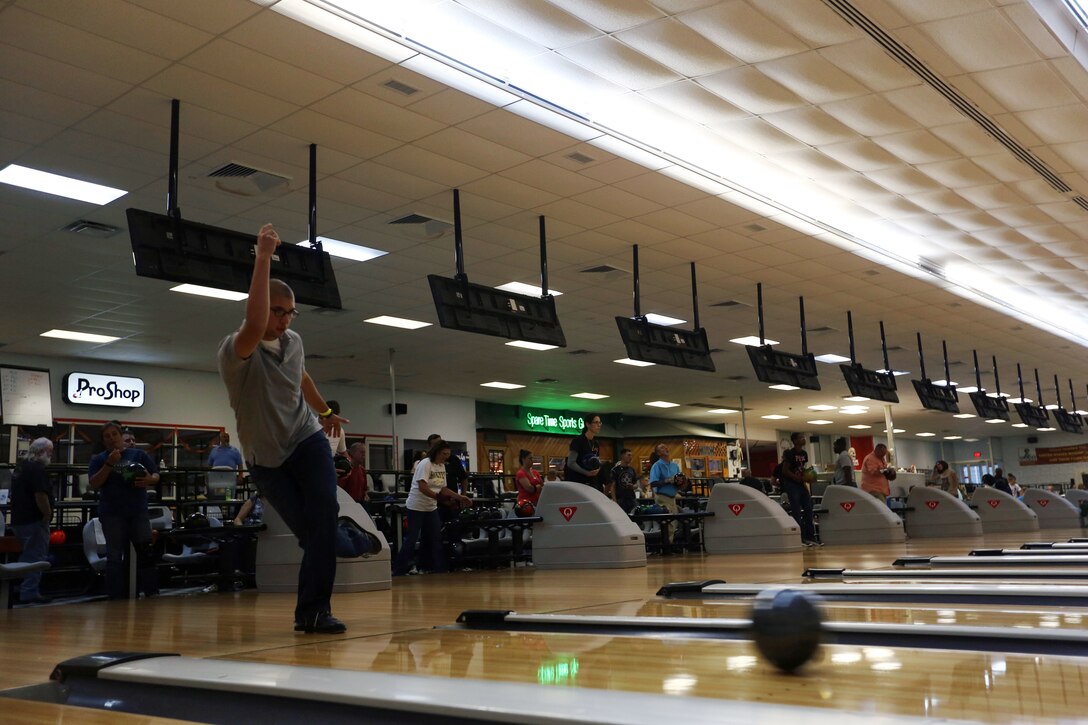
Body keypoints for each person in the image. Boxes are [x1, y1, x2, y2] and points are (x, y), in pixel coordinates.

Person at [217, 222, 349, 635]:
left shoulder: (294, 342)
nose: (283, 320)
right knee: (314, 535)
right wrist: (262, 258)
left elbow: (301, 378)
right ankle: (347, 543)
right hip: (266, 461)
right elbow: (255, 325)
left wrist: (325, 412)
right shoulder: (236, 350)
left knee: (324, 513)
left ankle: (312, 612)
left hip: (305, 439)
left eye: (289, 312)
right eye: (277, 311)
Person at [88, 420, 160, 599]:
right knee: (114, 555)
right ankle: (115, 596)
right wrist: (109, 464)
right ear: (104, 440)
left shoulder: (139, 455)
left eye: (115, 434)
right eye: (107, 436)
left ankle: (152, 592)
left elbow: (156, 475)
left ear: (121, 436)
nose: (112, 438)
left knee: (145, 551)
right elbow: (94, 483)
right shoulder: (99, 459)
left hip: (137, 511)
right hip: (112, 513)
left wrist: (149, 480)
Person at [392, 439, 470, 576]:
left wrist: (460, 497)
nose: (446, 457)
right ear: (437, 452)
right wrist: (439, 498)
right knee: (411, 538)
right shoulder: (425, 464)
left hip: (430, 507)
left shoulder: (441, 466)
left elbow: (443, 488)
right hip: (416, 506)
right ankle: (399, 570)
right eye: (444, 454)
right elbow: (422, 487)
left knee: (436, 537)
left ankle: (438, 569)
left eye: (448, 454)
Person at [11, 438, 54, 604]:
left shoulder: (21, 467)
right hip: (34, 520)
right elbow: (40, 495)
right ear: (41, 452)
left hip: (18, 519)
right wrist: (47, 514)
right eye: (49, 452)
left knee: (27, 555)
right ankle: (29, 592)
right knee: (35, 556)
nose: (50, 456)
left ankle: (18, 588)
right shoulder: (37, 470)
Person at [780, 432, 819, 546]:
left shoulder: (804, 453)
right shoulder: (789, 453)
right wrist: (795, 477)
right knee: (797, 512)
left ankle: (810, 537)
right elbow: (785, 470)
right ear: (795, 441)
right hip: (792, 485)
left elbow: (802, 469)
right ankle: (800, 538)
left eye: (804, 437)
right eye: (801, 438)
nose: (804, 439)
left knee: (808, 510)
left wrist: (807, 477)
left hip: (801, 485)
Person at [565, 415, 602, 489]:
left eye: (600, 422)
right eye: (596, 422)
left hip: (591, 481)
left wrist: (598, 469)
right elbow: (571, 462)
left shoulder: (596, 443)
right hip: (577, 481)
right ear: (588, 424)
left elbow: (597, 460)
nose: (599, 425)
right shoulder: (578, 441)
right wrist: (586, 473)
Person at [649, 444, 682, 513]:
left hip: (673, 498)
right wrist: (668, 480)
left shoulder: (675, 465)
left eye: (666, 447)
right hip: (662, 498)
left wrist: (681, 482)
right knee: (667, 522)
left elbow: (680, 481)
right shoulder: (656, 465)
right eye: (662, 448)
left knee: (675, 522)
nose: (666, 448)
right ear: (658, 453)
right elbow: (653, 483)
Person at [609, 448, 638, 513]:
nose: (631, 457)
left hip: (631, 499)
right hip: (620, 499)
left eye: (631, 455)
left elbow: (636, 485)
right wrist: (614, 501)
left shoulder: (632, 469)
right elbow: (612, 487)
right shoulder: (615, 470)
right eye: (628, 455)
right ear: (622, 456)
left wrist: (632, 486)